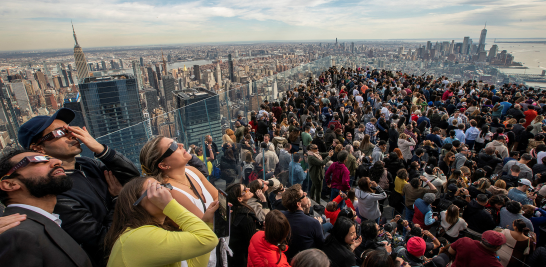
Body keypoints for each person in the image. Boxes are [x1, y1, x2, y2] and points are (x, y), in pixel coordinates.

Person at [17, 108, 140, 266]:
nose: (71, 135)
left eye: (70, 129)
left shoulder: (88, 164)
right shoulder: (55, 190)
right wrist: (118, 199)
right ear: (38, 148)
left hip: (134, 242)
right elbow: (103, 239)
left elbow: (134, 180)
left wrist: (102, 151)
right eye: (60, 133)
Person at [0, 149, 92, 267]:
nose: (57, 162)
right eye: (38, 160)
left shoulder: (44, 222)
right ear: (10, 184)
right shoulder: (18, 234)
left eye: (49, 158)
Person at [105, 177, 219, 267]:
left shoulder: (157, 231)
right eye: (157, 189)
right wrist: (169, 205)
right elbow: (208, 240)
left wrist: (206, 223)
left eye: (165, 186)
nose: (168, 191)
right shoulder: (136, 238)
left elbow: (195, 264)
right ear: (135, 204)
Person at [281, 184, 324, 260]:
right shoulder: (314, 223)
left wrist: (307, 210)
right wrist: (319, 225)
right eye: (303, 195)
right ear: (298, 204)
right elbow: (321, 245)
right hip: (307, 260)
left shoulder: (281, 216)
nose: (306, 194)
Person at [226, 183, 259, 266]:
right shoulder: (246, 217)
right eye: (244, 190)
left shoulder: (231, 212)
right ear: (239, 199)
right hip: (242, 260)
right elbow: (252, 242)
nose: (248, 189)